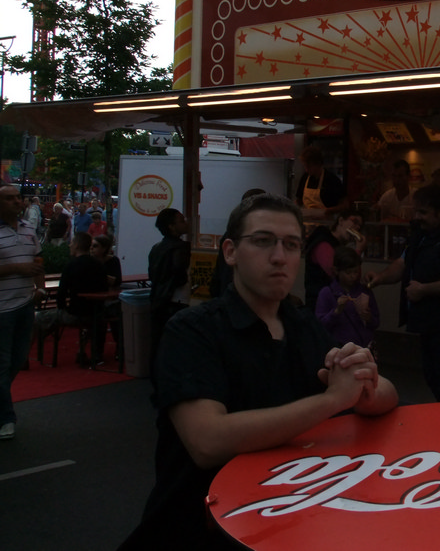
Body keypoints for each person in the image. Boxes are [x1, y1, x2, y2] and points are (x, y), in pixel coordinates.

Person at [118, 193, 398, 550]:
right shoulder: (192, 331)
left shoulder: (302, 326)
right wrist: (333, 400)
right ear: (230, 252)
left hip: (288, 521)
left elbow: (387, 394)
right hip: (200, 529)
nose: (279, 256)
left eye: (291, 245)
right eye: (263, 241)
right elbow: (207, 441)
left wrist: (364, 383)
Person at [368, 184, 440, 401]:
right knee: (433, 376)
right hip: (430, 323)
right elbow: (402, 264)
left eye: (423, 212)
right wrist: (380, 278)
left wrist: (423, 290)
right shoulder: (421, 235)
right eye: (416, 211)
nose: (417, 217)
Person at [0, 185, 46, 440]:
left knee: (18, 359)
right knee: (3, 363)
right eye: (10, 199)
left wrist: (41, 288)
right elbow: (26, 266)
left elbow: (38, 261)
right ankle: (6, 418)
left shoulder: (28, 229)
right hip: (2, 308)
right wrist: (17, 268)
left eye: (18, 197)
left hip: (25, 305)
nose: (17, 202)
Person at [35, 233, 109, 365]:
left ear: (77, 245)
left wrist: (62, 308)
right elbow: (105, 287)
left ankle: (26, 356)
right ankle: (84, 351)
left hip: (75, 314)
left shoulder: (71, 265)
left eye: (72, 243)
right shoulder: (99, 265)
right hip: (96, 313)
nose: (69, 245)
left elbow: (61, 293)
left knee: (38, 317)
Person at [316, 246, 380, 349]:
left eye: (356, 272)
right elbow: (320, 326)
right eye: (348, 272)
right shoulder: (327, 293)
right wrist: (336, 312)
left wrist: (369, 318)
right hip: (339, 347)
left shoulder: (364, 292)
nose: (353, 276)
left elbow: (376, 322)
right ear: (336, 271)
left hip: (363, 347)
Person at [147, 208, 191, 356]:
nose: (186, 223)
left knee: (159, 342)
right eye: (181, 221)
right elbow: (180, 275)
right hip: (177, 299)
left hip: (159, 299)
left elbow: (152, 274)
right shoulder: (181, 248)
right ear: (171, 226)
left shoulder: (156, 248)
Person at [295, 144, 349, 218]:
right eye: (305, 166)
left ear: (318, 164)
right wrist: (294, 209)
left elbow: (345, 205)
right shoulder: (305, 178)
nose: (306, 170)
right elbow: (299, 201)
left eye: (309, 166)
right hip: (307, 221)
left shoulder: (332, 179)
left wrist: (330, 210)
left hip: (326, 222)